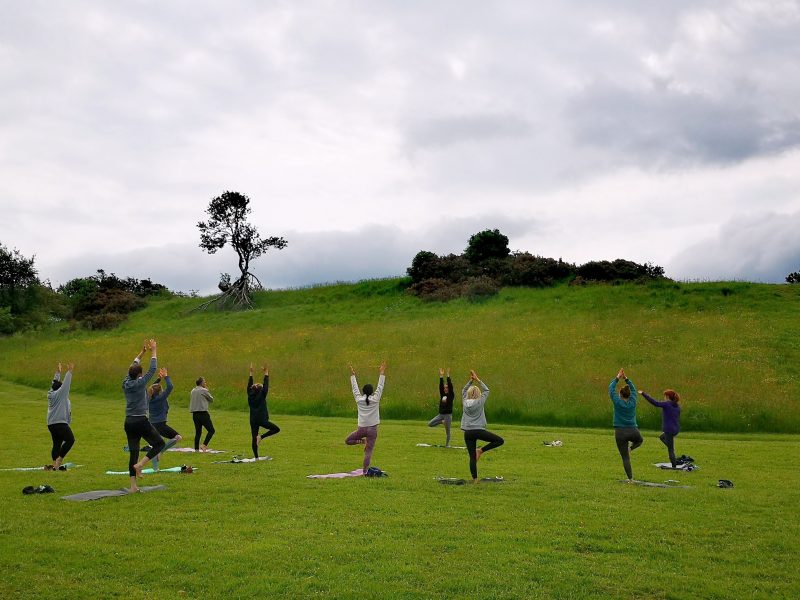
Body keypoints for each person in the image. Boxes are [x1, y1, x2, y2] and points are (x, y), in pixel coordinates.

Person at [123, 340, 165, 492]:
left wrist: (141, 353)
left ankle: (133, 486)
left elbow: (131, 366)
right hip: (141, 420)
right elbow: (152, 368)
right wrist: (154, 350)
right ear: (139, 375)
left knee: (133, 452)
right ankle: (140, 465)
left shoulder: (126, 382)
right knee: (159, 444)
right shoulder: (140, 383)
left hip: (128, 422)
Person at [461, 369, 504, 483]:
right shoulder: (480, 401)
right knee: (499, 441)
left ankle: (475, 479)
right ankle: (481, 450)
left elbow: (463, 390)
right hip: (478, 430)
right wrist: (477, 379)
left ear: (469, 394)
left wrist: (470, 381)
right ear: (478, 394)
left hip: (468, 432)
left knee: (472, 457)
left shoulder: (464, 401)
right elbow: (487, 390)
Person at [345, 361, 386, 474]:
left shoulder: (359, 399)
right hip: (373, 430)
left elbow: (354, 388)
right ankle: (365, 471)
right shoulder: (375, 399)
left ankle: (362, 441)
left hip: (361, 429)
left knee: (348, 440)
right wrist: (382, 372)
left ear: (363, 391)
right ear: (372, 392)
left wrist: (353, 375)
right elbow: (380, 387)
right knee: (368, 452)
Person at [609, 368, 643, 482]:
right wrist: (626, 379)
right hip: (633, 430)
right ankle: (631, 448)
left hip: (620, 432)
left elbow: (610, 389)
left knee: (625, 457)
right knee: (640, 440)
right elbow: (633, 390)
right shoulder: (633, 401)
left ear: (620, 394)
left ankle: (630, 479)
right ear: (629, 395)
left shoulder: (617, 402)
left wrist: (618, 377)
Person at [640, 388, 682, 467]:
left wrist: (643, 394)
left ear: (668, 397)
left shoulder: (667, 404)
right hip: (676, 429)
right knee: (662, 437)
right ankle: (671, 448)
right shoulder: (677, 406)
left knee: (670, 449)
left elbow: (655, 403)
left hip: (669, 429)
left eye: (665, 396)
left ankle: (674, 466)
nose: (664, 398)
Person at [148, 367, 181, 466]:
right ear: (160, 391)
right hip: (160, 425)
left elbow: (152, 387)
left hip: (152, 424)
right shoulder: (160, 398)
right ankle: (160, 452)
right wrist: (166, 376)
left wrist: (159, 378)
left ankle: (155, 468)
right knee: (177, 437)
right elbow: (170, 387)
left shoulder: (149, 396)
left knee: (156, 445)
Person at [45, 362, 75, 470]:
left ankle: (54, 466)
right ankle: (59, 461)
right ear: (60, 389)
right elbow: (66, 383)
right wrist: (70, 371)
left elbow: (54, 383)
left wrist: (58, 372)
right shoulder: (61, 393)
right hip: (60, 423)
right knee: (70, 440)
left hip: (51, 423)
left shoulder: (51, 393)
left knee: (57, 443)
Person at [248, 363, 280, 458]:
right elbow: (266, 386)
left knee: (254, 438)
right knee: (276, 429)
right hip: (262, 419)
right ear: (261, 390)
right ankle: (261, 437)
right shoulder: (262, 395)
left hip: (253, 420)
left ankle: (256, 457)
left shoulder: (250, 395)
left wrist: (251, 373)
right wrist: (266, 373)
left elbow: (249, 385)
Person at [427, 367, 454, 446]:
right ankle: (442, 422)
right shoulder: (443, 394)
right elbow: (440, 387)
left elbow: (450, 386)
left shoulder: (451, 395)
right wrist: (441, 376)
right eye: (444, 388)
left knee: (447, 432)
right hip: (441, 415)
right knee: (430, 424)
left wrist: (448, 375)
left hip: (448, 416)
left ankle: (447, 445)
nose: (445, 389)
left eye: (446, 388)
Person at [190, 376, 215, 451]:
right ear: (201, 383)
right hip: (203, 413)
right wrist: (207, 390)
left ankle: (196, 448)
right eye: (204, 382)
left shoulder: (193, 390)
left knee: (198, 432)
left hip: (195, 414)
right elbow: (211, 399)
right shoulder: (204, 390)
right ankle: (204, 445)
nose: (205, 383)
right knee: (211, 430)